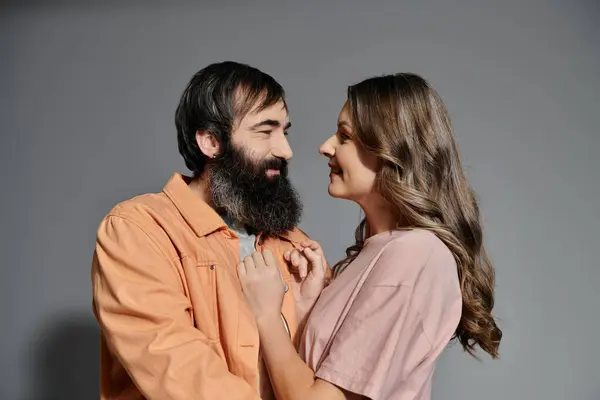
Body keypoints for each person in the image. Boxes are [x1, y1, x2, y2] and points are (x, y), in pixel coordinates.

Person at [238, 73, 503, 400]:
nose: (325, 147)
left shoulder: (415, 256)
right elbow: (317, 375)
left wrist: (266, 314)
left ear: (392, 150)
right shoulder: (377, 253)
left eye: (344, 136)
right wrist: (309, 310)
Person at [91, 61, 328, 400]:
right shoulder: (137, 230)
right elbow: (179, 371)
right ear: (210, 142)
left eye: (285, 132)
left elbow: (324, 378)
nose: (286, 150)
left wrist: (309, 312)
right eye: (265, 131)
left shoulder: (295, 244)